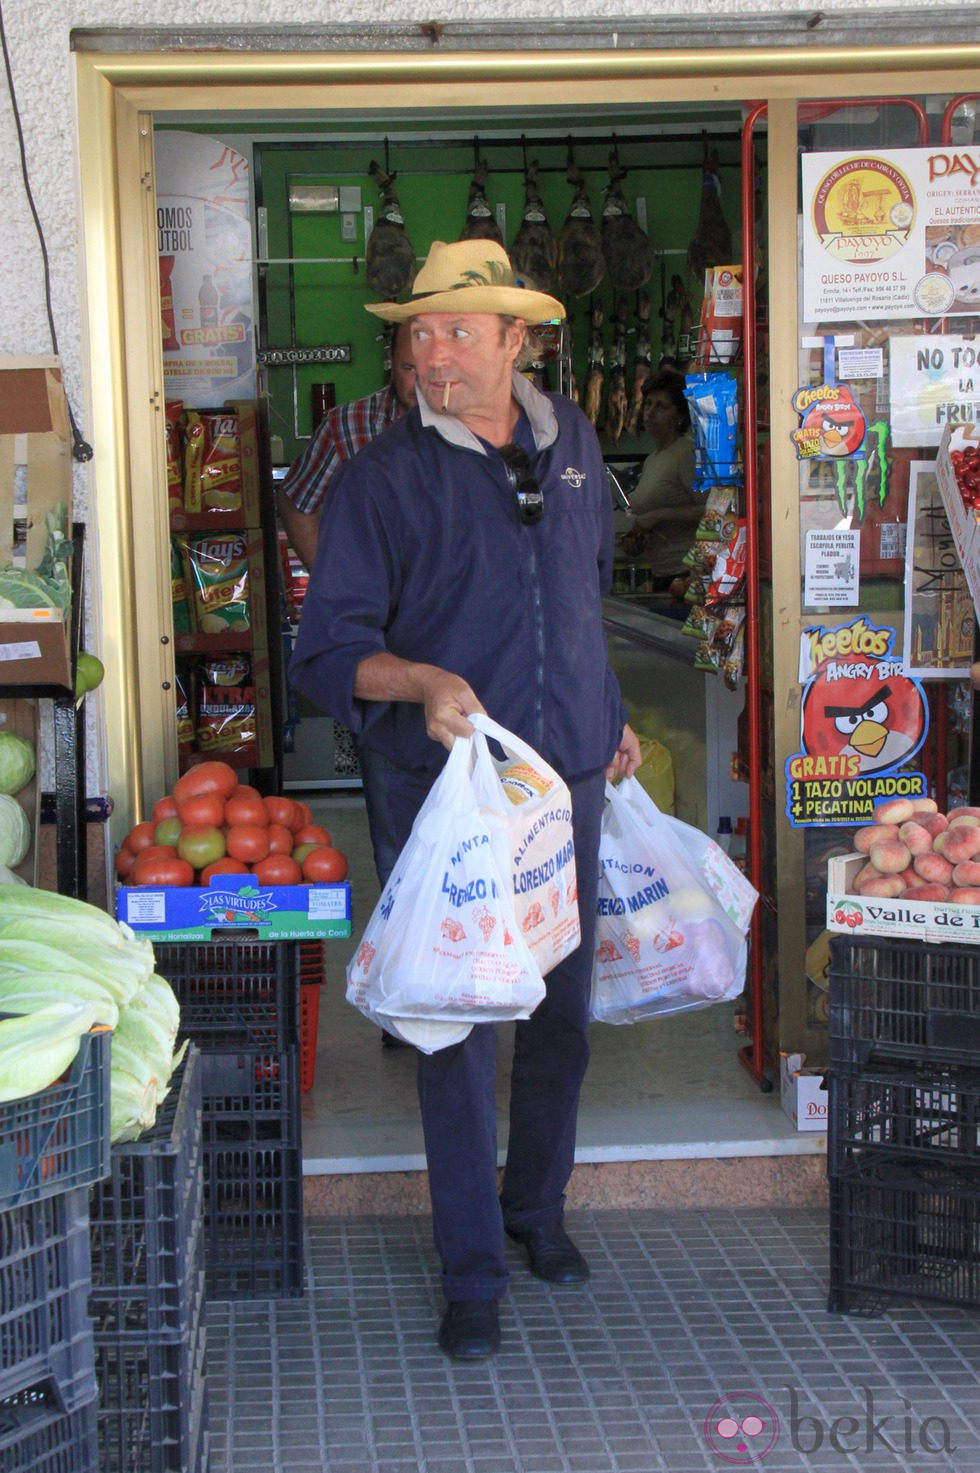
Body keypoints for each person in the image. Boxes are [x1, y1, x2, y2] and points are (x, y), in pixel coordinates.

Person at [289, 239, 641, 1362]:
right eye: (414, 336)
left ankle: (536, 1213)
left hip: (568, 780)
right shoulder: (380, 479)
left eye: (453, 332)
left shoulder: (573, 443)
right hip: (443, 791)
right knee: (454, 1027)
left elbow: (583, 591)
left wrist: (608, 706)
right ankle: (470, 1270)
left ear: (514, 343)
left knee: (561, 1020)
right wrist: (423, 682)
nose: (427, 355)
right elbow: (326, 650)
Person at [277, 323, 417, 889]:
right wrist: (338, 584)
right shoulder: (350, 427)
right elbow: (297, 504)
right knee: (394, 814)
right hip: (383, 646)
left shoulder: (492, 424)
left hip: (473, 646)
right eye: (409, 365)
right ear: (390, 360)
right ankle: (406, 941)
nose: (422, 379)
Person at [620, 367, 701, 587]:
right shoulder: (653, 459)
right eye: (648, 404)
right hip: (662, 572)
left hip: (686, 576)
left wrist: (659, 515)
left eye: (661, 406)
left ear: (681, 415)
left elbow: (711, 510)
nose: (650, 412)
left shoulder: (686, 453)